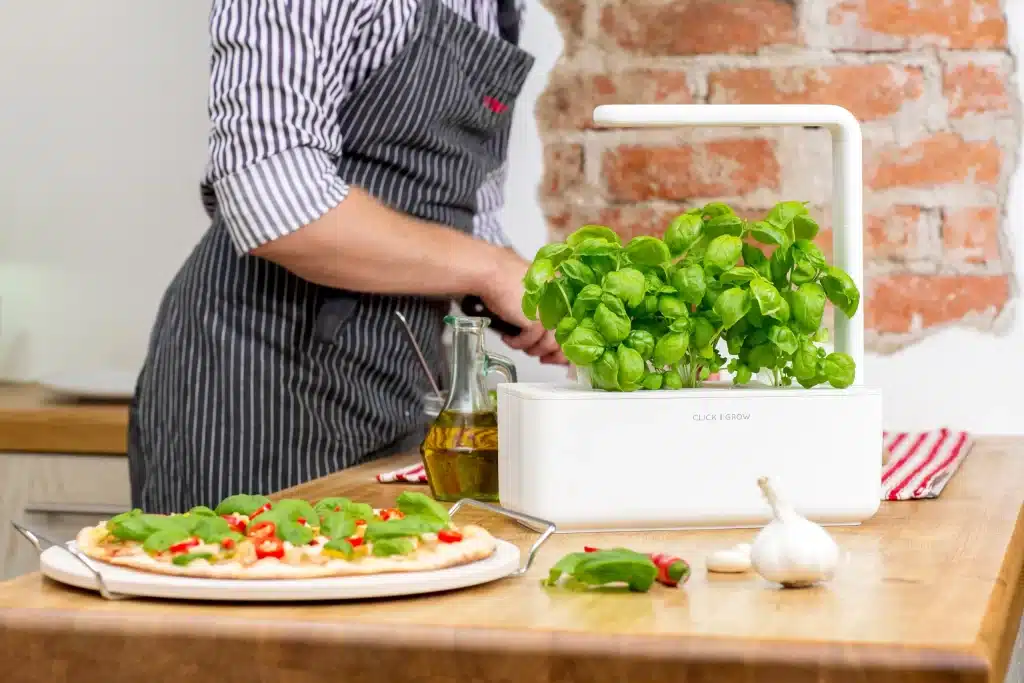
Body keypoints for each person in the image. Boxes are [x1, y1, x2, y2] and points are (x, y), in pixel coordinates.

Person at [127, 0, 567, 513]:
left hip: (401, 375)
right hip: (262, 380)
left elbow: (471, 211)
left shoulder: (500, 9)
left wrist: (530, 295)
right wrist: (492, 271)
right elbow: (274, 199)